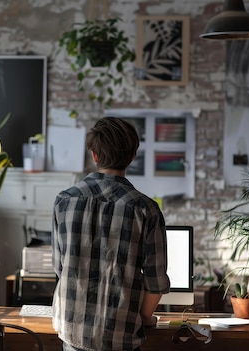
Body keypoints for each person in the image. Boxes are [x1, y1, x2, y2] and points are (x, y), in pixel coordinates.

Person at [51, 117, 170, 351]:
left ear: (94, 155)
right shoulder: (145, 209)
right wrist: (145, 319)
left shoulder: (64, 201)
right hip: (121, 338)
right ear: (132, 157)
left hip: (73, 337)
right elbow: (155, 283)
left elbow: (60, 268)